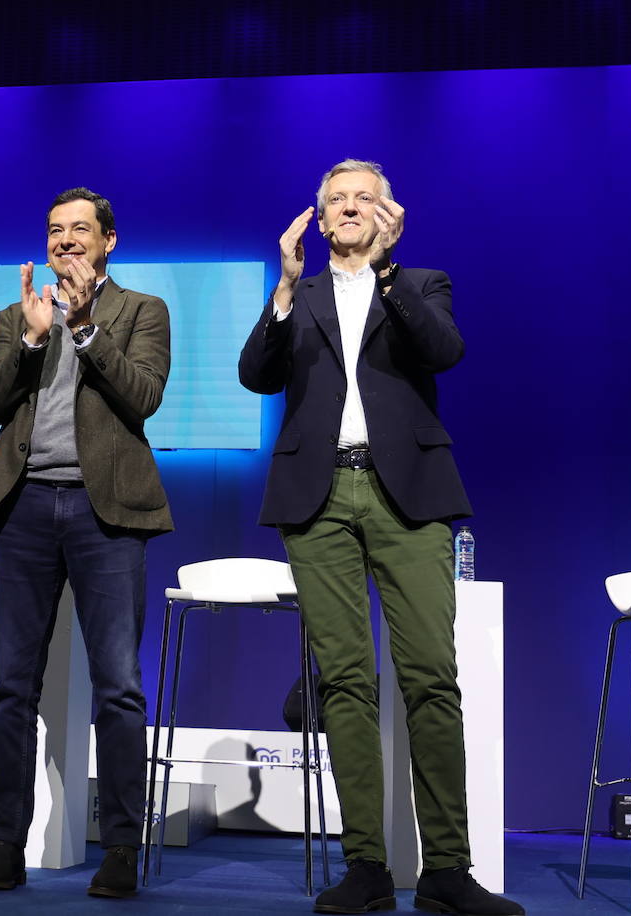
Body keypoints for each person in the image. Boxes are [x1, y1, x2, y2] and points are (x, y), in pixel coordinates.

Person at [239, 160, 524, 916]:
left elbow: (443, 352)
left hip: (411, 497)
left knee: (431, 675)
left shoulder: (423, 283)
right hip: (319, 496)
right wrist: (281, 287)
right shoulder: (297, 296)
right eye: (337, 200)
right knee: (345, 683)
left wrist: (388, 276)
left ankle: (447, 870)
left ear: (388, 214)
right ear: (319, 219)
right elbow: (254, 375)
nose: (350, 208)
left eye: (365, 198)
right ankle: (365, 864)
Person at [0, 187, 172, 898]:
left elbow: (143, 396)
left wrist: (85, 328)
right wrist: (29, 339)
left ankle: (119, 846)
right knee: (10, 689)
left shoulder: (141, 311)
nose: (65, 240)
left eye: (80, 229)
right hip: (23, 512)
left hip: (105, 514)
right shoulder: (14, 314)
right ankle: (4, 843)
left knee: (117, 687)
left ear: (108, 240)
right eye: (55, 230)